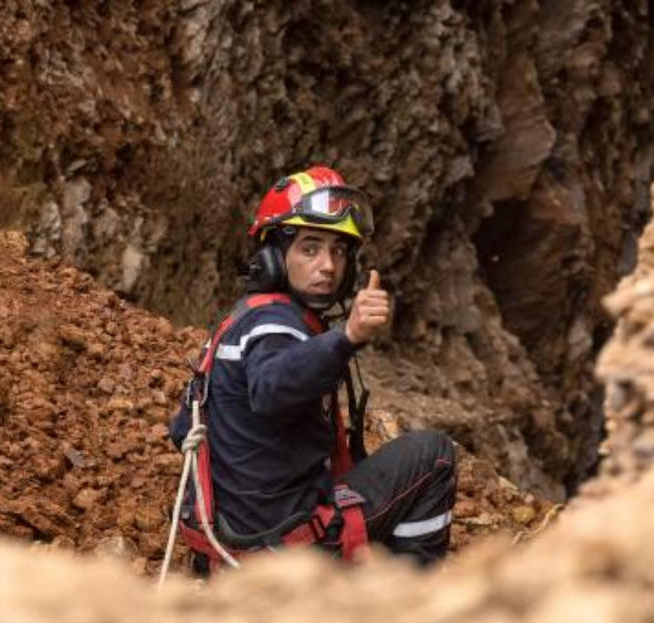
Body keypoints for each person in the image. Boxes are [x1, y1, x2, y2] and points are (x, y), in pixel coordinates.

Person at [170, 165, 456, 569]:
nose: (328, 265)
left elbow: (180, 430)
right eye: (310, 249)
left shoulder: (246, 318)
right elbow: (271, 388)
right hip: (286, 551)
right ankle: (403, 593)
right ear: (274, 257)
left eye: (338, 251)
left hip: (231, 546)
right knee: (434, 454)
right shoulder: (274, 325)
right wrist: (347, 336)